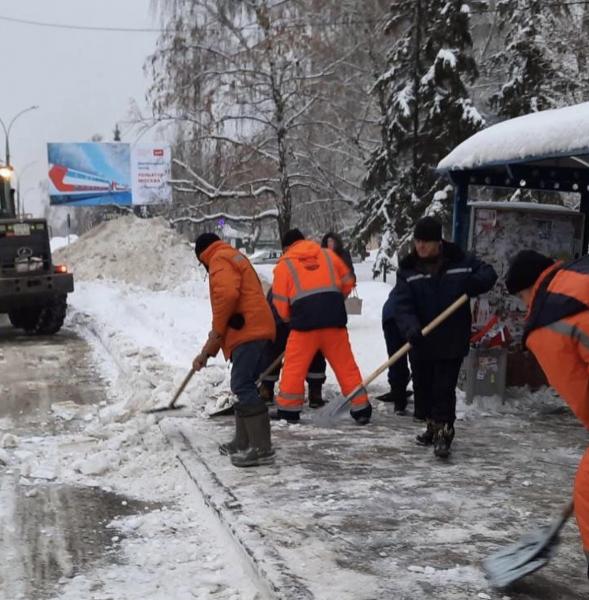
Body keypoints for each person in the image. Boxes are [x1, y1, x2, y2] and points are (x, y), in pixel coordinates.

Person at [506, 249, 589, 576]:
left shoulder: (548, 322)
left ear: (527, 289)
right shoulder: (576, 277)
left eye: (522, 297)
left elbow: (580, 392)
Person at [393, 216, 497, 458]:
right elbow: (402, 305)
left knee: (443, 388)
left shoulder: (460, 261)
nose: (420, 247)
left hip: (451, 338)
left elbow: (488, 273)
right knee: (424, 388)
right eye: (418, 241)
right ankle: (432, 425)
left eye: (426, 242)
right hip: (422, 339)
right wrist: (411, 329)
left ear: (439, 242)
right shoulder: (408, 270)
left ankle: (445, 433)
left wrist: (475, 283)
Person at [192, 233, 276, 468]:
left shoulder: (218, 260)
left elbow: (227, 297)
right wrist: (207, 352)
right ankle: (242, 441)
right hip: (254, 326)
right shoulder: (233, 255)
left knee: (242, 384)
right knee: (242, 384)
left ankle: (262, 448)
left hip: (249, 330)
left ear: (202, 255)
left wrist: (215, 336)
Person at [271, 228, 372, 424]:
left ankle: (289, 410)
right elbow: (349, 281)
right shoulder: (328, 256)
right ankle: (361, 407)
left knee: (294, 367)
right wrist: (333, 299)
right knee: (345, 365)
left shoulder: (284, 265)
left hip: (303, 326)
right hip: (333, 321)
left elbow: (280, 303)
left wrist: (288, 317)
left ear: (286, 248)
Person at [259, 287, 327, 408]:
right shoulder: (310, 281)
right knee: (314, 352)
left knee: (272, 351)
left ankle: (266, 390)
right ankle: (315, 393)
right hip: (294, 322)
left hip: (289, 321)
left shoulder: (282, 279)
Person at [379, 290, 412, 416]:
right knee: (417, 358)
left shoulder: (403, 284)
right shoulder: (420, 284)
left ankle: (398, 396)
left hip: (389, 316)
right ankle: (404, 398)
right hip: (403, 316)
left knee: (396, 358)